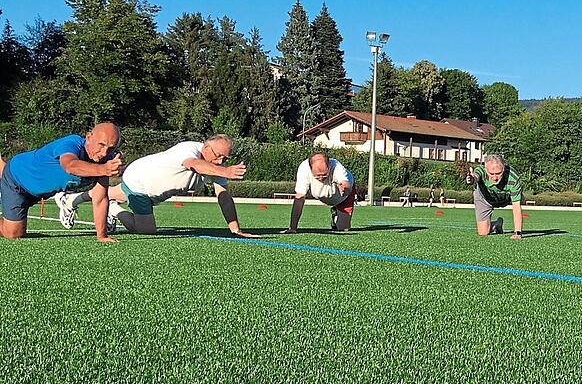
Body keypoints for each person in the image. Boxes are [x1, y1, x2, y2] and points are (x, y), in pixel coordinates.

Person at [55, 135, 258, 238]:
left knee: (110, 193)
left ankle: (70, 199)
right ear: (205, 147)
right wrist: (226, 171)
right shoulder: (189, 149)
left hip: (147, 185)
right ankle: (114, 210)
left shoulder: (215, 167)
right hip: (140, 181)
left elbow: (223, 196)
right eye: (218, 155)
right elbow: (193, 165)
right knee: (147, 230)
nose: (221, 161)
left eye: (225, 159)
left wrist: (235, 229)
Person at [1, 123, 122, 242]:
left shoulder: (105, 160)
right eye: (101, 145)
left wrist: (102, 236)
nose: (104, 152)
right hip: (16, 178)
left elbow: (100, 199)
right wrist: (103, 170)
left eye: (111, 148)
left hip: (38, 192)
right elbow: (69, 165)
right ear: (89, 137)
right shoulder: (71, 143)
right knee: (13, 233)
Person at [280, 151, 355, 233]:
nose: (321, 178)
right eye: (317, 176)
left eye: (324, 174)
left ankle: (335, 216)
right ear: (310, 168)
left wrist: (346, 187)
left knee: (344, 229)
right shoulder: (304, 169)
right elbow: (299, 198)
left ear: (329, 166)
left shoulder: (337, 166)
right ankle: (335, 211)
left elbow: (345, 182)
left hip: (342, 198)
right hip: (323, 195)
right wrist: (293, 228)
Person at [466, 154, 524, 239]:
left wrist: (518, 233)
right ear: (485, 169)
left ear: (503, 169)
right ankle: (497, 224)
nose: (495, 178)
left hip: (505, 198)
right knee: (483, 232)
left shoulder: (513, 178)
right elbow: (475, 177)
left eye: (498, 173)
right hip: (485, 198)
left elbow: (516, 208)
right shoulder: (481, 171)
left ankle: (519, 196)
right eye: (491, 174)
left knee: (521, 200)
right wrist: (471, 179)